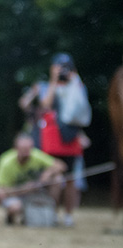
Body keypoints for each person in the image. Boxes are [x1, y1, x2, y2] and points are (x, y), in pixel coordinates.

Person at [38, 53, 91, 227]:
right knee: (54, 178)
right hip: (53, 140)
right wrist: (54, 79)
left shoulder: (77, 87)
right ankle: (51, 214)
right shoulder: (48, 86)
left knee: (70, 181)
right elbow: (46, 104)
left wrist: (74, 77)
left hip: (71, 139)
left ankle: (68, 215)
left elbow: (80, 112)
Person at [0, 133, 67, 226]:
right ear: (15, 149)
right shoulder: (6, 162)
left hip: (35, 192)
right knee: (15, 207)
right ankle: (11, 218)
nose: (26, 152)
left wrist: (47, 173)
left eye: (28, 149)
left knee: (58, 178)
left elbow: (61, 166)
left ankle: (53, 214)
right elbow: (0, 191)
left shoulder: (35, 155)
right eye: (23, 149)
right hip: (15, 195)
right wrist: (23, 189)